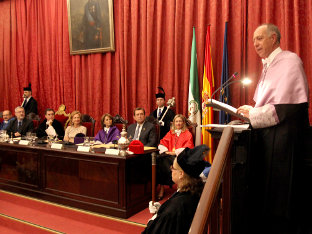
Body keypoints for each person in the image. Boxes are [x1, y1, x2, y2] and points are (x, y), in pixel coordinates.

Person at [237, 24, 309, 233]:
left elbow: (286, 107)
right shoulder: (269, 64)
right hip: (269, 138)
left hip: (285, 141)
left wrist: (253, 114)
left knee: (281, 196)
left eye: (259, 38)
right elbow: (269, 102)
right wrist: (252, 110)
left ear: (274, 38)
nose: (255, 44)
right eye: (253, 40)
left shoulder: (289, 61)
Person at [143, 145, 209, 234]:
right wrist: (161, 210)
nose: (171, 169)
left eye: (173, 168)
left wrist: (153, 220)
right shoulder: (194, 190)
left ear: (181, 174)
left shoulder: (174, 208)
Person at [156, 114, 194, 200]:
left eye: (180, 121)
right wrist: (166, 151)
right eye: (176, 121)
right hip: (168, 155)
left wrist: (173, 153)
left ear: (183, 123)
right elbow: (162, 142)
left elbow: (188, 147)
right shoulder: (170, 133)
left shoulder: (187, 134)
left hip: (180, 157)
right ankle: (162, 188)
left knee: (164, 161)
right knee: (159, 160)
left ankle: (171, 187)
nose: (178, 123)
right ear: (174, 123)